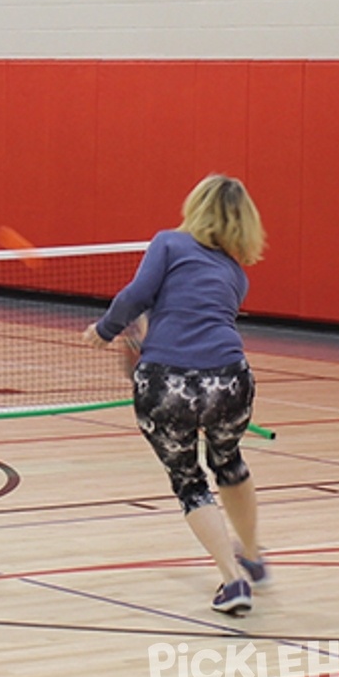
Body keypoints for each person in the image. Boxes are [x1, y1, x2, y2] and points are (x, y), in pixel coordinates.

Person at [82, 174, 268, 615]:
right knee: (229, 460)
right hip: (231, 380)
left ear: (196, 206)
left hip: (168, 383)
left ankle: (233, 580)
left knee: (189, 481)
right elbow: (194, 311)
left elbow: (137, 296)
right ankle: (253, 555)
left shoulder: (167, 243)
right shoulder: (235, 274)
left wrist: (105, 330)